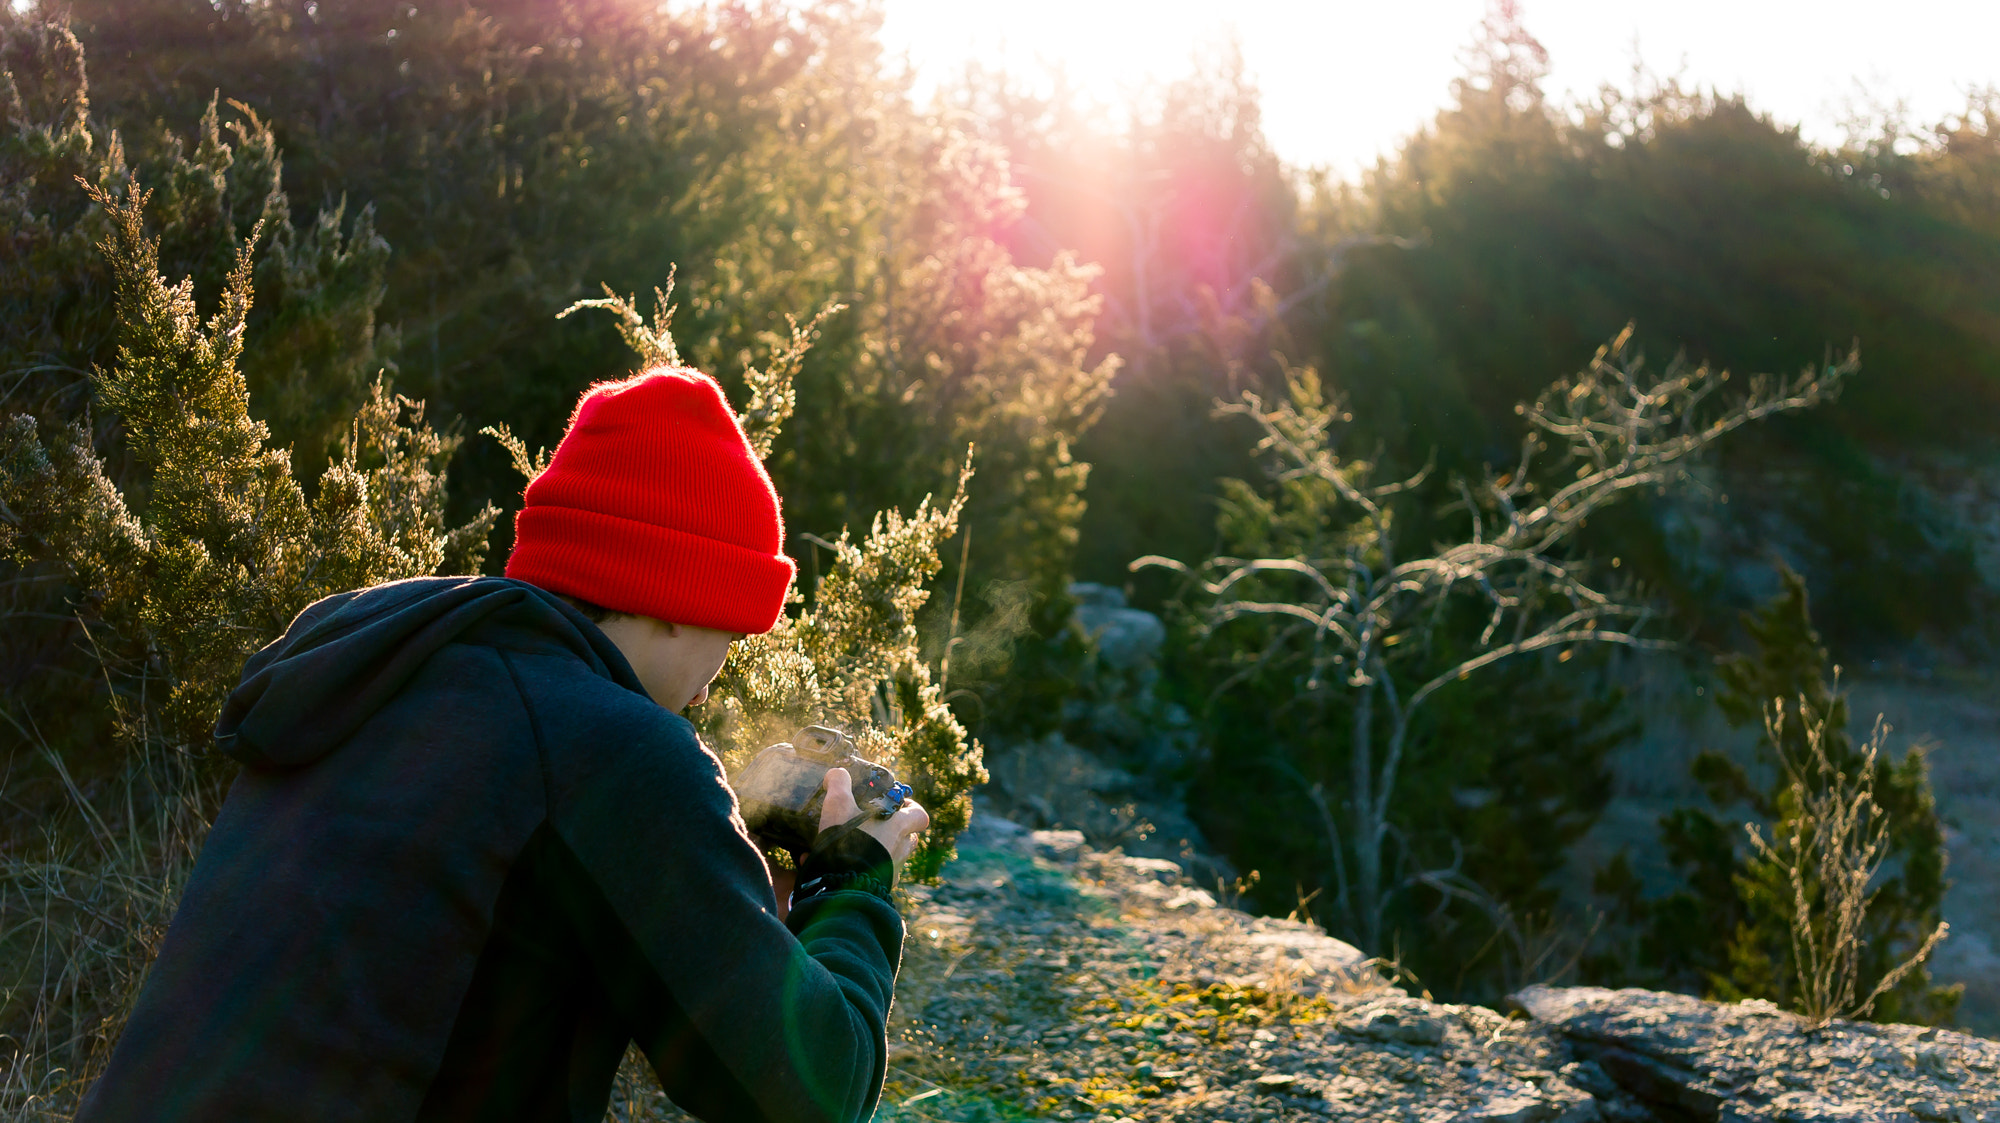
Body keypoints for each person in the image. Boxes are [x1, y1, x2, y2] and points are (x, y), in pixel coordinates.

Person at [75, 367, 929, 1123]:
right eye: (734, 626)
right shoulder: (615, 748)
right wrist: (850, 882)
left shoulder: (382, 662)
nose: (719, 671)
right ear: (674, 594)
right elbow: (814, 1090)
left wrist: (737, 902)